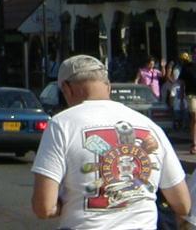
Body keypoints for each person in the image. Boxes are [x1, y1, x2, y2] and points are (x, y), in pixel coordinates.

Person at [31, 54, 190, 228]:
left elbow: (44, 207)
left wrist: (66, 203)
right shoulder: (150, 127)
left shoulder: (61, 124)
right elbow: (183, 204)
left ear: (67, 89)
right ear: (108, 86)